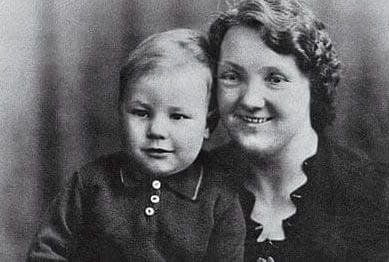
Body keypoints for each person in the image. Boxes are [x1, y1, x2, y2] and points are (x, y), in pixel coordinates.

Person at [207, 0, 389, 261]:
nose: (250, 100)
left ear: (313, 85)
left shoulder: (379, 198)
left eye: (275, 78)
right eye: (232, 77)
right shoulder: (190, 187)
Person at [27, 29, 245, 261]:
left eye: (178, 116)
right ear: (120, 112)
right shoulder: (91, 183)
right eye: (141, 113)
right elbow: (45, 253)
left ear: (208, 124)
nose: (157, 131)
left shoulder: (220, 197)